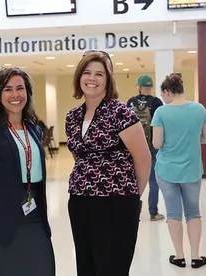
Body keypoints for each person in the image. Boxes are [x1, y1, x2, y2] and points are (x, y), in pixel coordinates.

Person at [65, 50, 151, 275]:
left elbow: (143, 158)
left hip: (117, 203)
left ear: (108, 80)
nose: (91, 79)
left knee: (112, 268)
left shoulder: (120, 112)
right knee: (86, 266)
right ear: (79, 77)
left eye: (99, 74)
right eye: (87, 73)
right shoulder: (72, 117)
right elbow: (80, 158)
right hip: (80, 201)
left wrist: (132, 198)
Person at [0, 67, 55, 276]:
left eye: (20, 88)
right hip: (1, 222)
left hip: (34, 216)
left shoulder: (34, 129)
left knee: (44, 269)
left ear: (27, 93)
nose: (15, 95)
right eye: (7, 89)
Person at [151, 73, 206, 269]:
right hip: (192, 169)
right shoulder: (199, 109)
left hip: (166, 170)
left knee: (173, 213)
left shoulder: (161, 112)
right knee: (194, 212)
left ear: (167, 91)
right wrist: (191, 140)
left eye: (163, 95)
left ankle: (179, 256)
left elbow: (157, 143)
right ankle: (195, 256)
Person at [126, 74, 165, 222]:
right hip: (152, 146)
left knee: (132, 179)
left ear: (140, 87)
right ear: (151, 87)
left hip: (133, 146)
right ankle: (153, 212)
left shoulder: (130, 101)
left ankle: (131, 211)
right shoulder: (157, 103)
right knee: (153, 181)